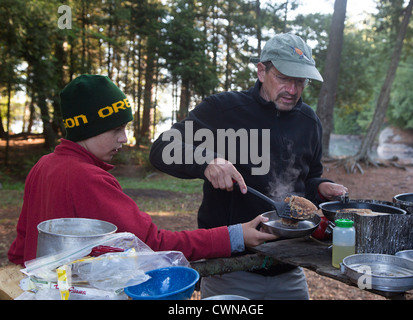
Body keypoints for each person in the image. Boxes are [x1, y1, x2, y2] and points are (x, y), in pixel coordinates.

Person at [149, 33, 348, 300]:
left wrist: (321, 187)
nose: (292, 89)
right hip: (230, 271)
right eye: (283, 78)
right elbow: (162, 149)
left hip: (289, 269)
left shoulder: (309, 121)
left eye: (300, 81)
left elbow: (307, 181)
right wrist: (206, 161)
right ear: (261, 71)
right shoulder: (223, 111)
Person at [8, 74, 278, 266]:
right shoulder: (87, 177)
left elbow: (21, 247)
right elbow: (152, 244)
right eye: (116, 130)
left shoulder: (43, 165)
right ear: (86, 128)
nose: (124, 139)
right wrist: (234, 236)